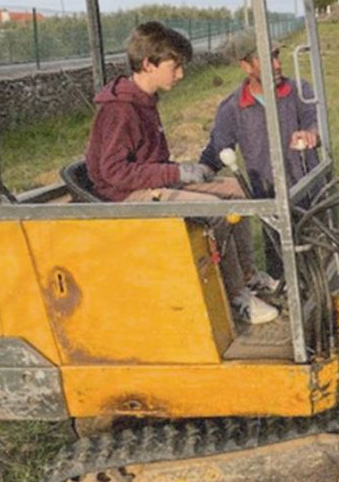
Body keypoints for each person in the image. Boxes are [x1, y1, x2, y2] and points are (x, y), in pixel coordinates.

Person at [85, 22, 280, 325]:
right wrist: (174, 172)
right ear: (149, 64)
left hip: (149, 184)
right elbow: (113, 171)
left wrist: (186, 172)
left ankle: (247, 274)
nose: (180, 75)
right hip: (126, 196)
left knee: (239, 190)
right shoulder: (120, 109)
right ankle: (236, 296)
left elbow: (149, 162)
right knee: (216, 210)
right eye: (174, 67)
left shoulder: (144, 100)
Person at [196, 40, 323, 284]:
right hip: (270, 200)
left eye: (277, 56)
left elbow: (315, 121)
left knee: (320, 261)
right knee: (282, 267)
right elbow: (217, 150)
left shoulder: (299, 91)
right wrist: (198, 173)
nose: (277, 65)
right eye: (267, 59)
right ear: (245, 65)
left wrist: (312, 134)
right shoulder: (233, 107)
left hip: (311, 193)